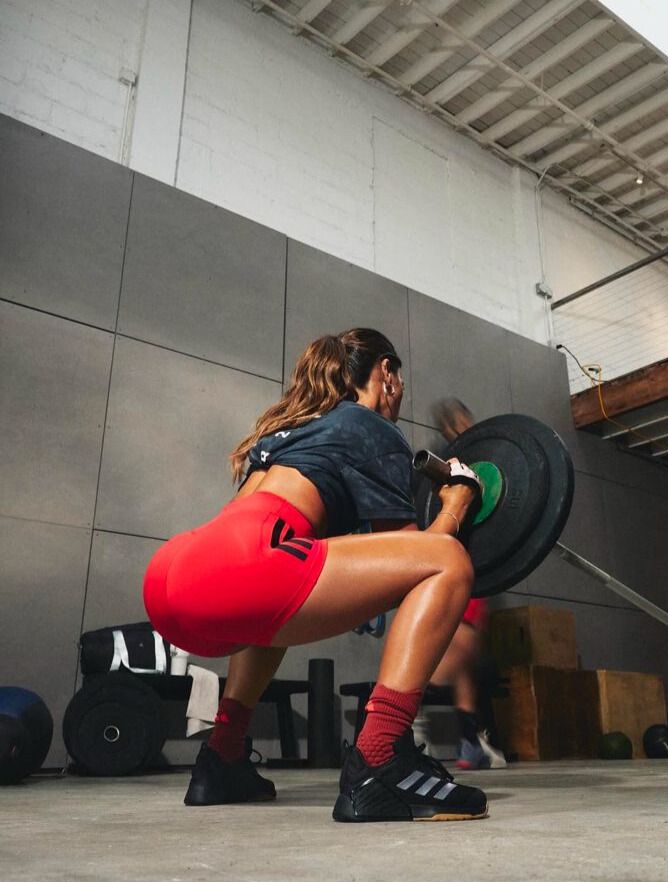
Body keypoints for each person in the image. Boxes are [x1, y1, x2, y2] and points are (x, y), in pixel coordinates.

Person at [143, 329, 488, 822]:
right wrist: (456, 503)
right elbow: (424, 557)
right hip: (250, 563)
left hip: (178, 572)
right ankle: (378, 759)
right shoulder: (370, 425)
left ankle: (222, 757)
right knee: (450, 563)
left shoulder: (292, 427)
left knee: (273, 603)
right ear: (386, 373)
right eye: (400, 379)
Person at [421, 398, 507, 770]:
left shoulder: (481, 455)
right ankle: (407, 717)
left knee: (467, 661)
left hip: (474, 566)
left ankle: (470, 742)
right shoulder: (449, 462)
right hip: (457, 562)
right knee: (458, 649)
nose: (467, 423)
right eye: (461, 420)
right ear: (454, 423)